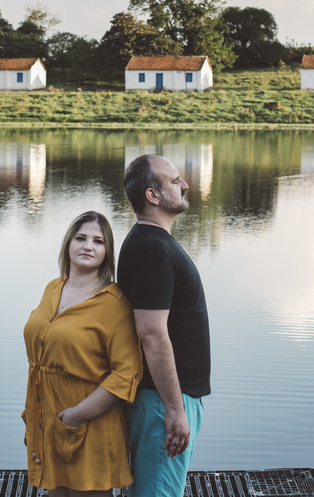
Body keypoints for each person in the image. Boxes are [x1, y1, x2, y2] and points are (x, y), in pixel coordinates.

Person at [23, 211, 143, 497]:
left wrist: (76, 415)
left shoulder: (114, 304)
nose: (88, 246)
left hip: (91, 426)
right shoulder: (53, 288)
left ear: (107, 253)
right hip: (48, 421)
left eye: (98, 241)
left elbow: (127, 374)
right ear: (68, 244)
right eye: (81, 238)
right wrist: (36, 417)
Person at [117, 155, 211, 497]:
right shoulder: (152, 249)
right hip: (162, 402)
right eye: (174, 181)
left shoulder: (151, 242)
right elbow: (152, 334)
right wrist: (174, 409)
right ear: (152, 196)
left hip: (165, 399)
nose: (184, 184)